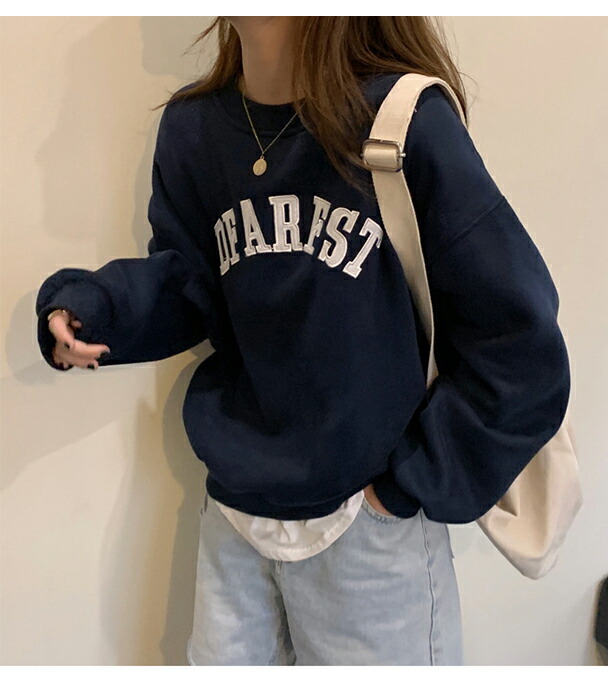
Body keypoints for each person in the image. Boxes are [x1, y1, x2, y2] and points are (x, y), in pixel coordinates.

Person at [35, 17, 571, 665]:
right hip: (236, 513)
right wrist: (92, 309)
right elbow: (190, 285)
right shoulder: (194, 129)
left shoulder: (402, 121)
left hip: (370, 531)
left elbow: (518, 341)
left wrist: (405, 489)